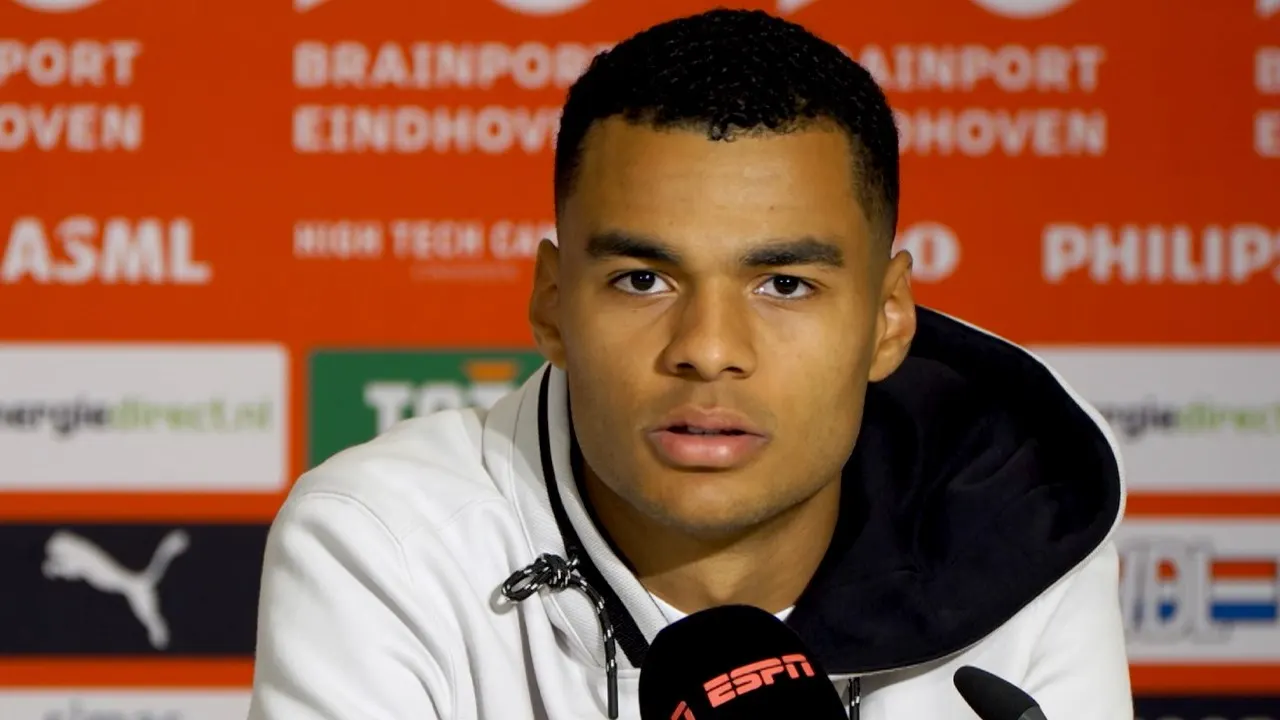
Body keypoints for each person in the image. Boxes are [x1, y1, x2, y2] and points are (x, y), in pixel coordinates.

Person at [248, 8, 1133, 720]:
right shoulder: (388, 545)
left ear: (888, 320)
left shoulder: (1026, 521)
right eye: (643, 279)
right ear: (552, 303)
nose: (708, 350)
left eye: (784, 285)